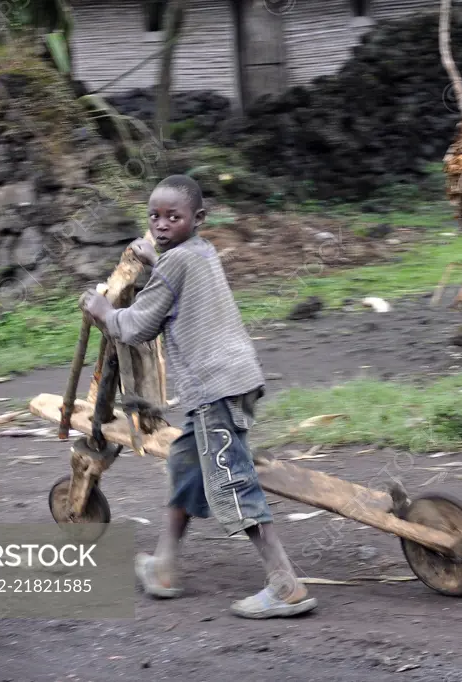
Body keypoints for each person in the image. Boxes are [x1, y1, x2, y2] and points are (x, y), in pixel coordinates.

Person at [81, 174, 317, 618]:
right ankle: (165, 566)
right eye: (155, 217)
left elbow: (136, 327)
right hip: (237, 379)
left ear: (198, 219)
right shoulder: (201, 253)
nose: (162, 224)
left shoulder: (174, 264)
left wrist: (103, 311)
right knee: (188, 464)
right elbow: (172, 267)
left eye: (174, 216)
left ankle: (285, 584)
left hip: (214, 390)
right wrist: (153, 256)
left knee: (230, 479)